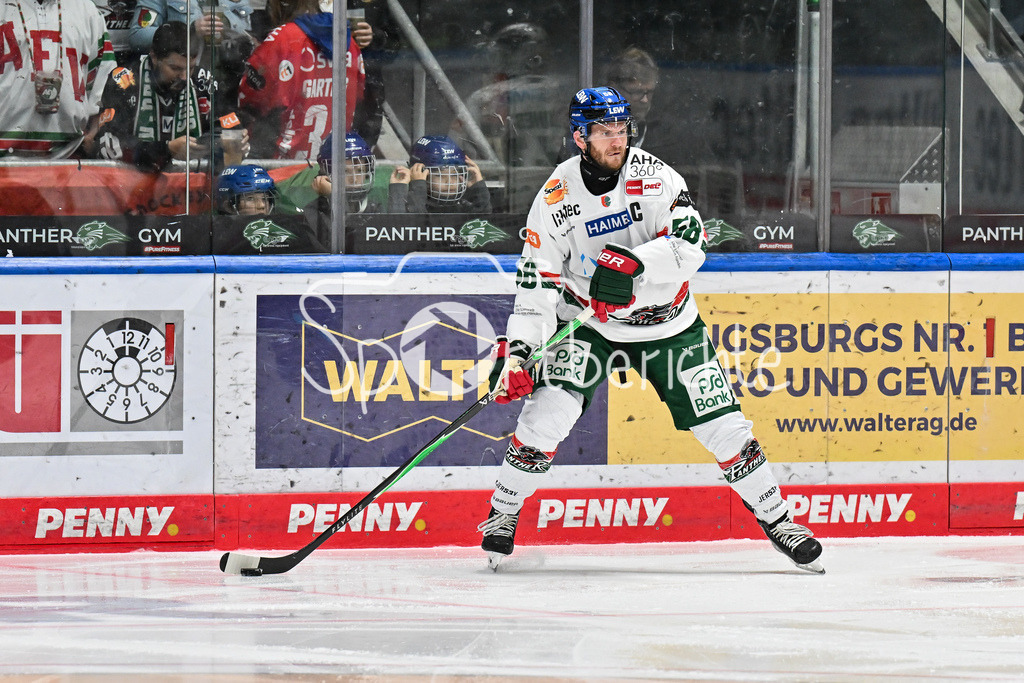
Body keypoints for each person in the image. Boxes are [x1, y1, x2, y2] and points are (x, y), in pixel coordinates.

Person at [478, 86, 824, 574]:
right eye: (604, 132)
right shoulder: (555, 196)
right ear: (580, 137)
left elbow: (691, 244)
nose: (616, 141)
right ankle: (504, 511)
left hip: (667, 324)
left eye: (622, 130)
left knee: (723, 425)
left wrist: (633, 265)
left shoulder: (655, 177)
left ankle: (779, 520)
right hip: (587, 325)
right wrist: (519, 352)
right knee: (546, 418)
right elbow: (538, 280)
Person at [89, 21, 249, 171]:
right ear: (154, 57)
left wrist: (234, 141)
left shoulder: (203, 79)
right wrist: (167, 149)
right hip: (133, 187)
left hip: (188, 189)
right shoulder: (124, 79)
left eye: (190, 68)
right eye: (175, 68)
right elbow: (110, 146)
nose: (185, 77)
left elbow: (230, 126)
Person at [237, 0, 371, 160]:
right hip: (330, 168)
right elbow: (361, 100)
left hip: (283, 168)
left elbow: (249, 98)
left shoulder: (282, 38)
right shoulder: (348, 42)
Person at [0, 0, 116, 158]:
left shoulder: (87, 10)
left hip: (70, 159)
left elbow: (101, 87)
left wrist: (93, 134)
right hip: (3, 164)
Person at [388, 135, 491, 214]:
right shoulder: (412, 205)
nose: (450, 181)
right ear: (420, 176)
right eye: (439, 175)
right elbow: (411, 230)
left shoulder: (463, 208)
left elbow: (484, 225)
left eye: (455, 175)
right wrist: (417, 188)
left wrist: (479, 191)